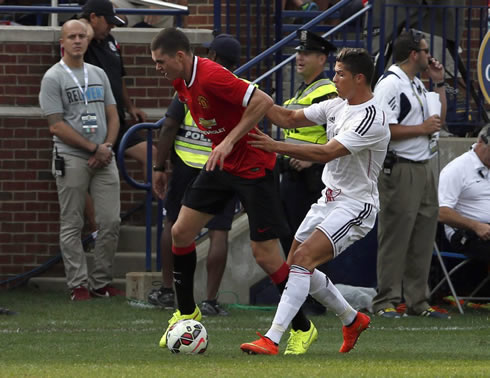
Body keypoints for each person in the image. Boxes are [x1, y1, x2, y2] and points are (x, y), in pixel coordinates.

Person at [151, 27, 316, 355]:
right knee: (181, 232)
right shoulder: (181, 83)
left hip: (254, 166)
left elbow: (262, 101)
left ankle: (302, 327)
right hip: (223, 166)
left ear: (180, 56)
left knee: (266, 255)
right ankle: (186, 313)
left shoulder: (211, 75)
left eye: (160, 61)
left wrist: (228, 140)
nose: (158, 67)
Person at [240, 47, 390, 355]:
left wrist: (274, 146)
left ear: (359, 78)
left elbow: (326, 152)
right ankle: (352, 319)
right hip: (328, 200)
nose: (333, 78)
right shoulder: (337, 105)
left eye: (340, 73)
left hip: (355, 205)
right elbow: (287, 117)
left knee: (303, 260)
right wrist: (247, 92)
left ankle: (272, 337)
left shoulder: (372, 117)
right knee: (296, 263)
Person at [149, 34, 244, 315]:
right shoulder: (234, 87)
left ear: (212, 56)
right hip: (220, 166)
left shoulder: (196, 80)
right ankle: (210, 300)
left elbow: (169, 126)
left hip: (187, 166)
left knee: (174, 226)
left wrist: (158, 166)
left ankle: (168, 290)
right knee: (218, 231)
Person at [39, 20, 122, 301]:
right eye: (71, 36)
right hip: (71, 156)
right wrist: (92, 148)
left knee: (110, 220)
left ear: (88, 41)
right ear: (62, 41)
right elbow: (56, 125)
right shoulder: (53, 77)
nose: (77, 41)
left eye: (81, 36)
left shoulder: (98, 73)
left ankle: (100, 282)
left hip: (104, 156)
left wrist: (106, 146)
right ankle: (78, 284)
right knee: (72, 222)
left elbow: (113, 114)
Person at [371, 29, 448, 319]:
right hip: (400, 166)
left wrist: (439, 83)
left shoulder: (416, 83)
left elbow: (438, 118)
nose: (430, 55)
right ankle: (386, 300)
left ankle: (418, 300)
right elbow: (381, 131)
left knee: (423, 235)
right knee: (395, 235)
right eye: (426, 50)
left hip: (424, 165)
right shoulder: (390, 85)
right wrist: (420, 129)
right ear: (413, 54)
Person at [79, 0, 157, 236]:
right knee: (82, 173)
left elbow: (118, 77)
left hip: (117, 118)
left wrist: (130, 106)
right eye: (107, 22)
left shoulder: (111, 42)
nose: (111, 28)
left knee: (152, 154)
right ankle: (95, 230)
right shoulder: (81, 38)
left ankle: (166, 212)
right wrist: (88, 23)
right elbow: (80, 30)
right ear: (93, 18)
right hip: (90, 120)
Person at [277, 30, 338, 315]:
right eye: (298, 52)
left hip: (311, 178)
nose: (299, 58)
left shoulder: (326, 91)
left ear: (322, 59)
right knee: (294, 238)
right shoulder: (305, 89)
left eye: (306, 53)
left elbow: (339, 135)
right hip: (292, 174)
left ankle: (312, 300)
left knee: (309, 241)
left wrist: (313, 161)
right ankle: (300, 297)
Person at [438, 125, 490, 260]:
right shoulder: (457, 169)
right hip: (468, 231)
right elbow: (441, 212)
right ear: (480, 142)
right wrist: (476, 226)